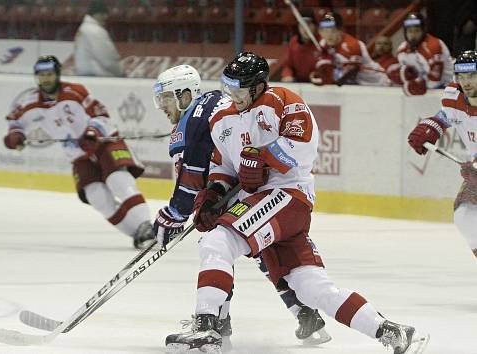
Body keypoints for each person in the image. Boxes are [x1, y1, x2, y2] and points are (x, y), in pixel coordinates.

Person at [165, 52, 429, 354]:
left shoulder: (284, 101)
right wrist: (211, 195)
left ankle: (208, 328)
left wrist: (264, 158)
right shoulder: (221, 117)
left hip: (288, 196)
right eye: (229, 89)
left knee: (218, 242)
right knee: (312, 287)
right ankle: (390, 331)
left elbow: (302, 147)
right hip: (264, 205)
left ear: (259, 86)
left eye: (239, 90)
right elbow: (223, 165)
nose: (233, 96)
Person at [152, 65, 331, 347]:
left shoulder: (197, 118)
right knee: (265, 252)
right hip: (256, 186)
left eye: (165, 98)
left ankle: (217, 321)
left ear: (185, 94)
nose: (161, 106)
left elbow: (195, 173)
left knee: (218, 245)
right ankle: (303, 311)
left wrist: (175, 213)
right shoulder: (212, 105)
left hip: (253, 187)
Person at [3, 55, 154, 249]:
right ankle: (138, 234)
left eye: (49, 74)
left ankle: (146, 225)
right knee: (96, 196)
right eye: (41, 75)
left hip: (104, 142)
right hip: (78, 155)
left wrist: (92, 132)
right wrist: (15, 135)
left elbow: (100, 114)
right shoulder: (30, 103)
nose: (46, 79)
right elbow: (14, 121)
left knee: (118, 180)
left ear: (57, 74)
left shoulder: (75, 92)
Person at [408, 49, 477, 258]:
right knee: (465, 215)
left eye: (472, 75)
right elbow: (446, 116)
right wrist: (433, 126)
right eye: (462, 76)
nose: (466, 81)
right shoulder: (453, 96)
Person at [311, 12, 388, 86]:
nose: (328, 35)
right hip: (357, 85)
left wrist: (324, 73)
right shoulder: (322, 44)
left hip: (377, 82)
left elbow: (347, 77)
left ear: (341, 30)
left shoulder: (353, 45)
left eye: (333, 31)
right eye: (324, 31)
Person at [392, 13, 453, 96]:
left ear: (423, 30)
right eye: (410, 31)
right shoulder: (402, 49)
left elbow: (435, 82)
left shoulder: (434, 46)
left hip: (447, 88)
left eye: (417, 31)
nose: (413, 35)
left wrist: (416, 84)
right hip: (429, 89)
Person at [74, 0, 123, 77]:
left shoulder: (82, 29)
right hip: (96, 75)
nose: (105, 17)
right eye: (102, 14)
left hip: (82, 74)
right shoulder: (96, 31)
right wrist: (120, 73)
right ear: (94, 14)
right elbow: (107, 59)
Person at [280, 9, 320, 83]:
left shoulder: (322, 43)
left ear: (315, 26)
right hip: (298, 84)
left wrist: (319, 75)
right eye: (302, 24)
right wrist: (287, 75)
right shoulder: (293, 42)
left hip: (317, 85)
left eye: (309, 24)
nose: (305, 29)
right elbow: (288, 66)